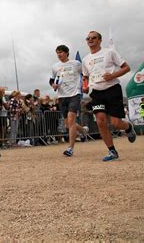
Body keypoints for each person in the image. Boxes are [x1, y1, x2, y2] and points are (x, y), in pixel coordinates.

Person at [82, 31, 136, 162]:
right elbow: (85, 76)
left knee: (116, 123)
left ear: (100, 40)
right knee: (100, 121)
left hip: (112, 89)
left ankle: (128, 127)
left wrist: (112, 75)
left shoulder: (109, 52)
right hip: (96, 92)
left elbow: (127, 67)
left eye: (93, 38)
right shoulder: (85, 59)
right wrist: (85, 86)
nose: (90, 40)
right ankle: (112, 151)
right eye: (88, 38)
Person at [50, 45, 89, 156]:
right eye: (57, 52)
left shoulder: (76, 64)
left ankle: (70, 148)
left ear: (67, 53)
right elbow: (52, 79)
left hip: (74, 95)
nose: (59, 54)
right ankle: (83, 130)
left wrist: (86, 85)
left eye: (61, 52)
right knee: (68, 125)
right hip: (62, 97)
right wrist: (53, 84)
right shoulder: (55, 66)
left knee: (71, 121)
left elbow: (85, 75)